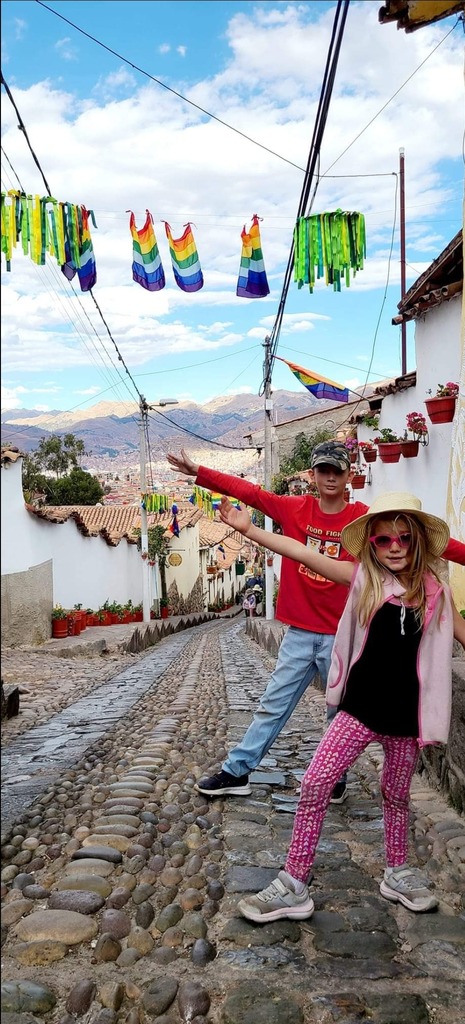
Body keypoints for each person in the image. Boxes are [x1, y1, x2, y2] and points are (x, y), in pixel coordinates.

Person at [166, 444, 465, 803]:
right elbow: (251, 494)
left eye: (337, 472)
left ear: (348, 476)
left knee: (338, 711)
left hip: (346, 636)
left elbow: (432, 543)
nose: (330, 478)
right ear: (313, 474)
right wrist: (200, 471)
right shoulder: (295, 509)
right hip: (300, 632)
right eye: (323, 471)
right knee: (273, 704)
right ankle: (237, 770)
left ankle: (334, 776)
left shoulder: (364, 521)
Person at [218, 491, 465, 918]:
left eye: (404, 538)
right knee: (315, 782)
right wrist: (250, 530)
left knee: (396, 794)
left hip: (407, 718)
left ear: (418, 541)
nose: (394, 548)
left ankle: (397, 872)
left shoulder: (436, 593)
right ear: (370, 544)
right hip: (359, 711)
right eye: (383, 540)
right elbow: (301, 552)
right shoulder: (364, 580)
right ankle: (294, 882)